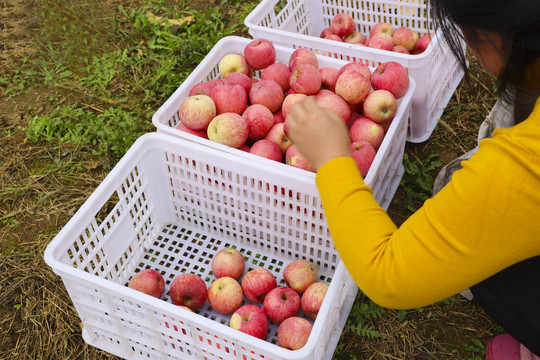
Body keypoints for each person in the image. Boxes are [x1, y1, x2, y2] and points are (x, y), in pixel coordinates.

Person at [285, 0, 540, 358]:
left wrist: (331, 157)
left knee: (489, 267)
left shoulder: (527, 163)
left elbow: (388, 274)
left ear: (495, 32)